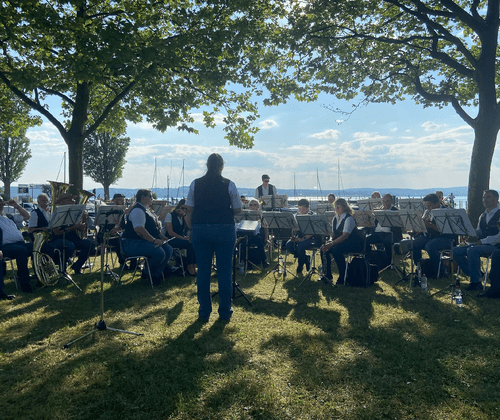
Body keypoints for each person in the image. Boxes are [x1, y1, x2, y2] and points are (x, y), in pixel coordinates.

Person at [185, 153, 242, 322]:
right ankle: (224, 311)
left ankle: (204, 311)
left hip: (200, 228)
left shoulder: (195, 183)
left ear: (207, 165)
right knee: (224, 271)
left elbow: (189, 209)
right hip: (224, 228)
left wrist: (191, 229)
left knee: (203, 271)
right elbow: (238, 209)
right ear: (222, 167)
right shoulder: (229, 184)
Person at [123, 189, 173, 285]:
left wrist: (163, 237)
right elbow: (139, 230)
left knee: (168, 249)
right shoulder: (137, 210)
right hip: (133, 242)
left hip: (144, 241)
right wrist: (154, 240)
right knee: (159, 253)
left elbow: (154, 229)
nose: (152, 199)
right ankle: (148, 272)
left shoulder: (146, 210)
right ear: (143, 197)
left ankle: (155, 273)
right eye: (150, 197)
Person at [453, 190, 500, 291]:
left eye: (488, 197)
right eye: (484, 197)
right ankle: (477, 274)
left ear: (496, 199)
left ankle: (476, 282)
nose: (484, 200)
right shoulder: (483, 215)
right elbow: (479, 232)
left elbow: (498, 237)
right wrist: (468, 232)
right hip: (482, 245)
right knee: (454, 250)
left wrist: (482, 242)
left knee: (472, 250)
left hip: (495, 247)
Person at [320, 198, 363, 284]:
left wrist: (331, 244)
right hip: (340, 242)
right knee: (323, 249)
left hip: (352, 243)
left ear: (345, 207)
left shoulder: (349, 218)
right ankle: (327, 275)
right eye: (335, 207)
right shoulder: (335, 218)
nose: (336, 209)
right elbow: (333, 234)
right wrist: (329, 242)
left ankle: (343, 276)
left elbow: (344, 236)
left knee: (336, 250)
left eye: (338, 207)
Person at [51, 193, 96, 275]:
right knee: (69, 245)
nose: (74, 202)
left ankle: (77, 266)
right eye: (71, 201)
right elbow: (56, 232)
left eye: (73, 201)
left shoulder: (75, 214)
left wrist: (85, 221)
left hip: (73, 238)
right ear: (63, 202)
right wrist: (73, 227)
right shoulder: (55, 214)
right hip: (59, 238)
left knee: (90, 244)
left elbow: (83, 231)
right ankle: (63, 269)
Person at [28, 193, 75, 268]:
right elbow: (30, 229)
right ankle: (51, 266)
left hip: (53, 238)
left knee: (69, 245)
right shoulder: (35, 213)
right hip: (42, 241)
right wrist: (42, 228)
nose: (46, 202)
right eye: (43, 200)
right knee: (51, 248)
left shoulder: (52, 212)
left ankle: (63, 265)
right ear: (38, 202)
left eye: (47, 200)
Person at [0, 197, 33, 293]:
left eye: (2, 204)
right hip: (4, 247)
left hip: (19, 244)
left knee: (37, 246)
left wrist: (17, 206)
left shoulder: (9, 217)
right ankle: (24, 282)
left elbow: (27, 217)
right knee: (21, 250)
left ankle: (41, 276)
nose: (1, 206)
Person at [366, 194, 402, 267]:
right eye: (384, 201)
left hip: (390, 233)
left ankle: (387, 263)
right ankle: (370, 260)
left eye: (387, 201)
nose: (385, 203)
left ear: (391, 201)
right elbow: (374, 224)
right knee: (365, 240)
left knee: (387, 241)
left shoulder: (395, 210)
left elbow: (399, 225)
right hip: (378, 232)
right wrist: (372, 219)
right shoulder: (379, 210)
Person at [163, 199, 197, 276]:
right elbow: (170, 232)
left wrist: (185, 215)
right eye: (182, 208)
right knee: (189, 244)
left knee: (194, 242)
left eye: (185, 209)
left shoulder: (183, 217)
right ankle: (189, 266)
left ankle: (193, 264)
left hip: (179, 239)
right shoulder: (170, 215)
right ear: (178, 207)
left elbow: (189, 226)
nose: (184, 210)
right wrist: (183, 238)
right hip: (170, 239)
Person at [286, 199, 315, 275]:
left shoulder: (312, 215)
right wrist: (293, 236)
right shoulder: (297, 215)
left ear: (308, 208)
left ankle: (300, 264)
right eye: (300, 209)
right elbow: (294, 228)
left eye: (303, 209)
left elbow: (312, 233)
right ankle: (305, 259)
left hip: (310, 238)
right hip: (299, 236)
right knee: (289, 245)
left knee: (300, 246)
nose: (301, 211)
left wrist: (302, 239)